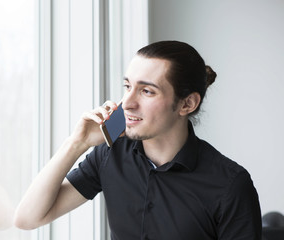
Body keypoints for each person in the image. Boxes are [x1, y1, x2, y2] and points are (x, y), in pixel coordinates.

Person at [14, 41, 262, 239]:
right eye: (127, 86)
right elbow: (28, 218)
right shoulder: (110, 154)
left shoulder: (230, 185)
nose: (128, 103)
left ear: (187, 103)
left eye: (147, 91)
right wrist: (77, 143)